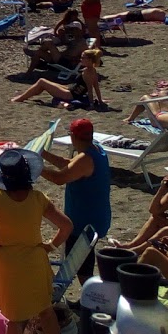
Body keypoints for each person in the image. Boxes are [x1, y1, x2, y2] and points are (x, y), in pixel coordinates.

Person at [0, 149, 72, 334]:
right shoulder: (38, 198)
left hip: (5, 263)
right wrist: (50, 246)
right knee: (45, 311)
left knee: (12, 317)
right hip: (34, 260)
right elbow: (66, 225)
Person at [40, 119, 111, 280]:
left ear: (73, 136)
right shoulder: (97, 150)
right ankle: (88, 298)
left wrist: (35, 167)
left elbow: (59, 178)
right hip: (96, 216)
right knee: (84, 258)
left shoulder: (85, 158)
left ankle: (88, 301)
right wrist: (43, 154)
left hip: (84, 222)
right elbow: (69, 165)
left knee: (80, 266)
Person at [10, 49, 108, 111]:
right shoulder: (93, 71)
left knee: (42, 81)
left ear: (90, 60)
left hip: (70, 95)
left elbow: (91, 90)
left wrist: (91, 105)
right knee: (46, 83)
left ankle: (21, 98)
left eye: (83, 58)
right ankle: (24, 96)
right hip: (71, 90)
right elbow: (96, 87)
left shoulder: (88, 73)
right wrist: (100, 101)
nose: (80, 59)